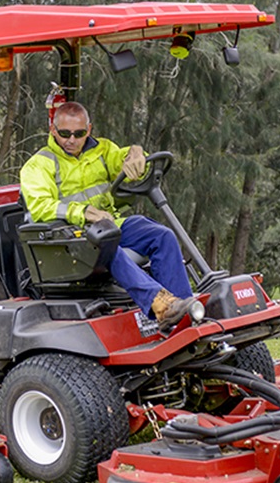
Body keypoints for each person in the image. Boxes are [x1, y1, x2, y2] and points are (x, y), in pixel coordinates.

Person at [19, 101, 198, 330]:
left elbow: (122, 159)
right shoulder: (38, 165)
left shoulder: (102, 150)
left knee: (161, 235)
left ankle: (183, 311)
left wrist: (136, 153)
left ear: (89, 130)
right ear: (53, 130)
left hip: (107, 224)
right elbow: (41, 206)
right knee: (107, 245)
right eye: (64, 133)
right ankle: (160, 305)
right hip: (68, 237)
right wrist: (82, 213)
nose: (71, 140)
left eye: (79, 133)